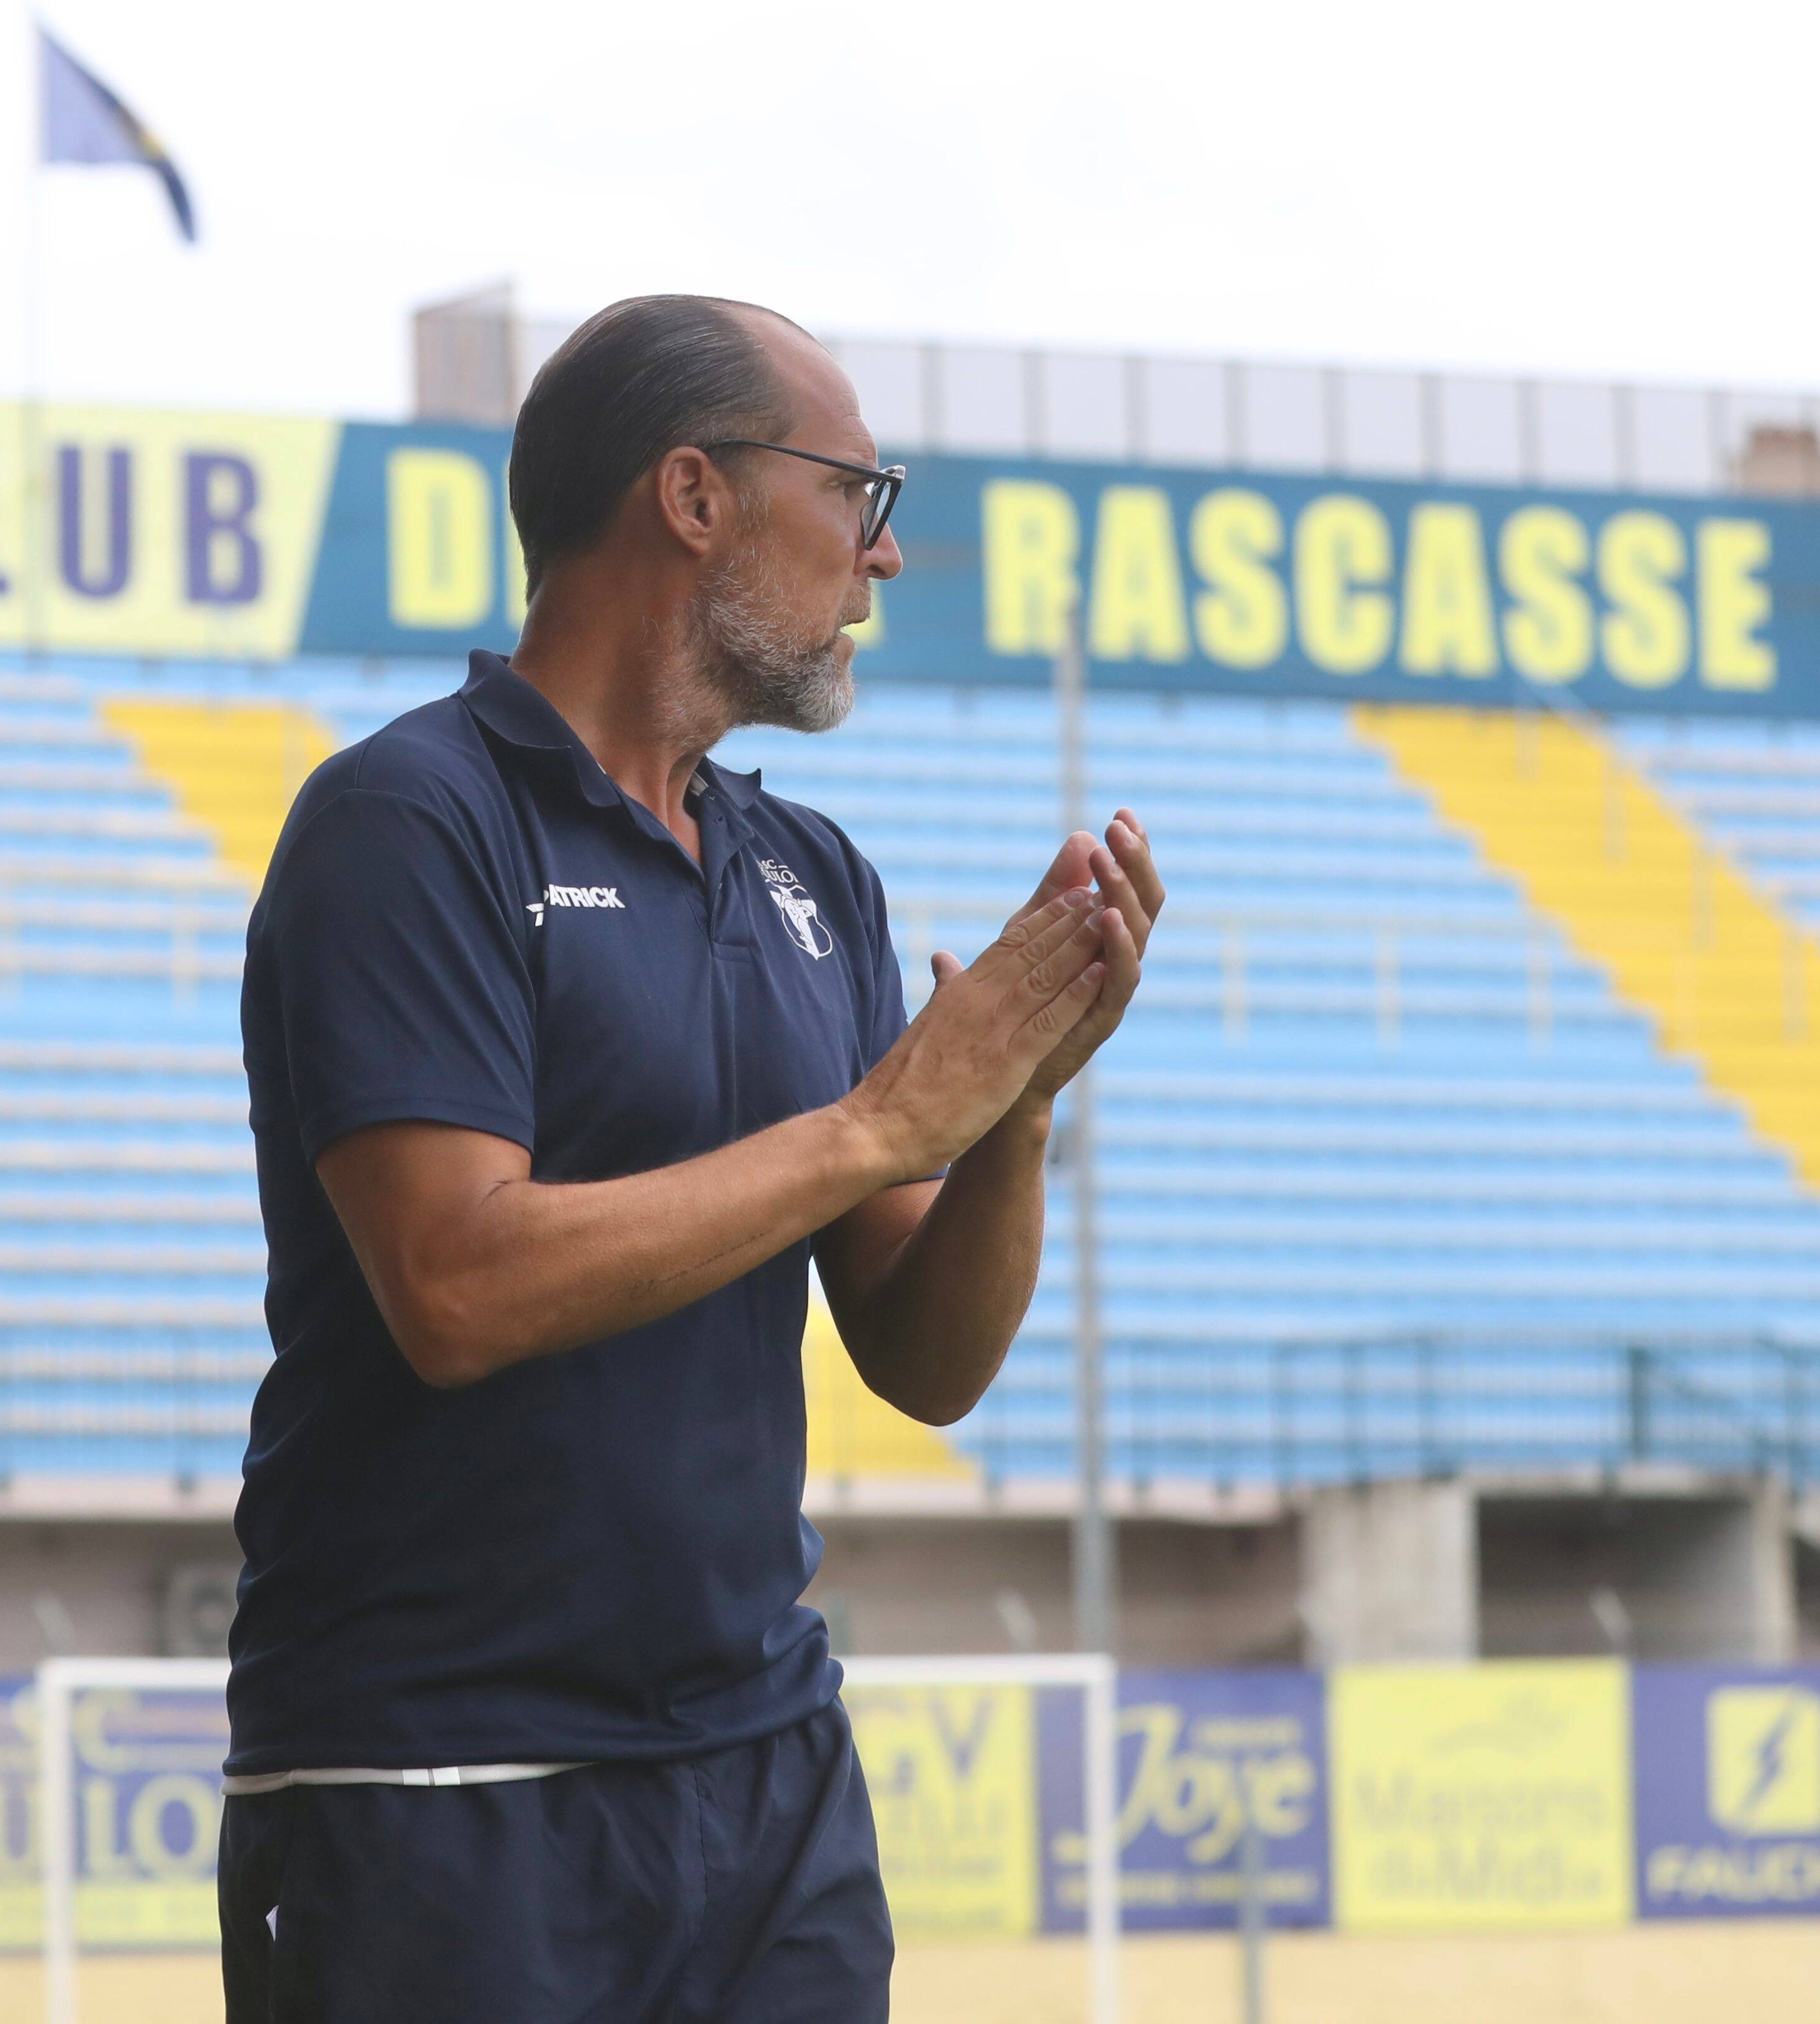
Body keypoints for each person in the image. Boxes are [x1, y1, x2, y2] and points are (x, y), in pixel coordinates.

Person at [215, 294, 1164, 2024]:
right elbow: (454, 1283)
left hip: (768, 1782)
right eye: (856, 493)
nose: (882, 555)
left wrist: (1012, 1109)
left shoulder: (817, 876)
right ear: (694, 495)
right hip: (438, 1786)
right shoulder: (407, 821)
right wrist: (880, 1123)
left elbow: (926, 1359)